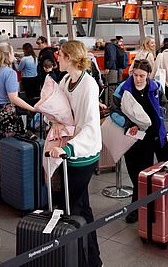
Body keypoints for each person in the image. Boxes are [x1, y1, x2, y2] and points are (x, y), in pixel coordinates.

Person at [47, 40, 103, 267]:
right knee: (81, 206)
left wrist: (68, 148)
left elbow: (90, 126)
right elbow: (62, 112)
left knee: (70, 206)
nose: (57, 59)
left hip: (82, 154)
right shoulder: (66, 81)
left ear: (69, 57)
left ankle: (82, 258)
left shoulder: (88, 85)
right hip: (68, 153)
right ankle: (90, 259)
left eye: (60, 55)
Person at [111, 59, 167, 223]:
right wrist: (129, 124)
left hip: (150, 137)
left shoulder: (156, 87)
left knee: (144, 173)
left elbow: (162, 108)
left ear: (148, 75)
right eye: (135, 75)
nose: (138, 79)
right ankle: (141, 206)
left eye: (142, 76)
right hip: (130, 136)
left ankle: (138, 208)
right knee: (134, 172)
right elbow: (114, 111)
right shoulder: (123, 88)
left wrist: (159, 126)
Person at [0, 42, 35, 198]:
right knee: (9, 150)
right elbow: (13, 97)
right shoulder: (10, 73)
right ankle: (9, 186)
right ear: (8, 55)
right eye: (13, 52)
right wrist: (33, 108)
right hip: (6, 115)